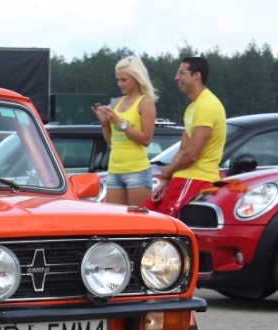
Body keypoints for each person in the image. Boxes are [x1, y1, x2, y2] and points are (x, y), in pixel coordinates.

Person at [142, 57, 226, 217]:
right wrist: (165, 182)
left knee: (165, 224)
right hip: (182, 178)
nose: (176, 78)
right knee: (144, 215)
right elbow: (182, 149)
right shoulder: (192, 107)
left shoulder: (207, 106)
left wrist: (169, 170)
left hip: (196, 178)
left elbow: (192, 155)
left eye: (181, 73)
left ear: (197, 75)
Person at [91, 55, 157, 206]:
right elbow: (111, 141)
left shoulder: (145, 102)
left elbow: (146, 139)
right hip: (115, 169)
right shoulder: (119, 102)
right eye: (117, 79)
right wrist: (104, 124)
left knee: (138, 222)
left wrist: (119, 122)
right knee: (116, 221)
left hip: (137, 170)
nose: (119, 84)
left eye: (124, 80)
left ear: (136, 78)